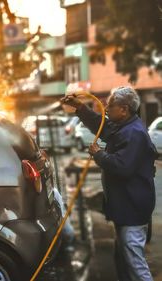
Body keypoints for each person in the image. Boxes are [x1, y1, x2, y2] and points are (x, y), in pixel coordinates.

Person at [61, 86, 156, 281]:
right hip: (126, 208)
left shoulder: (134, 133)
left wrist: (99, 154)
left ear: (124, 109)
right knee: (123, 261)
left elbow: (122, 166)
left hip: (133, 209)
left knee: (135, 265)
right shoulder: (124, 126)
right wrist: (80, 107)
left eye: (111, 105)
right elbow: (102, 126)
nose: (106, 107)